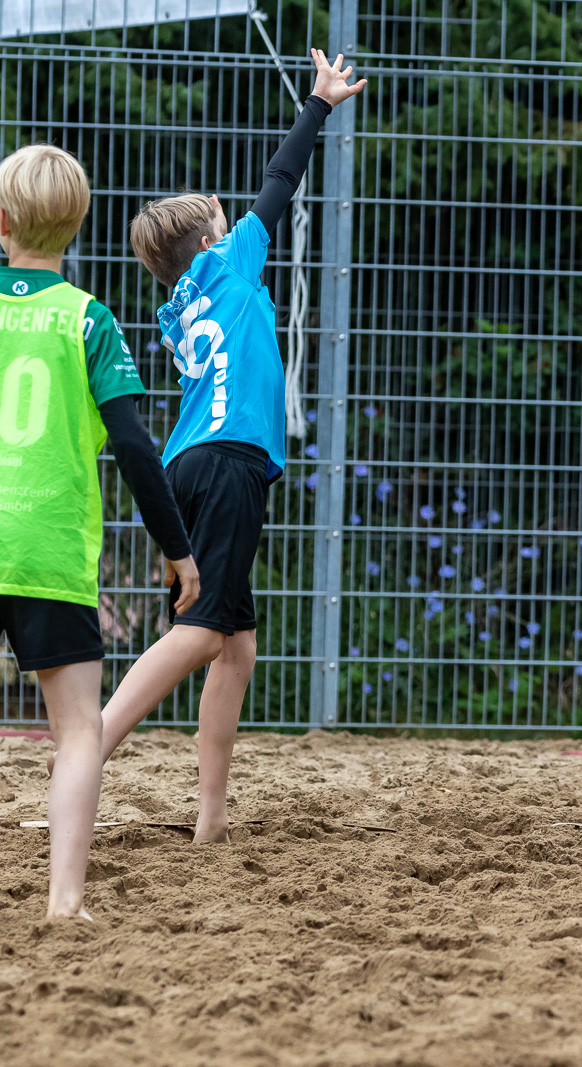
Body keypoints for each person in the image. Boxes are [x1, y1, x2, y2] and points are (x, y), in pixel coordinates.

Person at [92, 50, 366, 843]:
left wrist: (204, 222)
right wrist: (318, 103)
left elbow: (219, 227)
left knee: (235, 646)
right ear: (213, 234)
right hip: (229, 460)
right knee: (203, 633)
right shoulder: (229, 260)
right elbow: (280, 183)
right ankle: (90, 742)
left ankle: (210, 817)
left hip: (190, 463)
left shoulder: (179, 300)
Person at [0, 143, 200, 918]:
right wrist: (178, 551)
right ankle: (64, 901)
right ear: (77, 225)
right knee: (80, 731)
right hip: (50, 550)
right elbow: (136, 450)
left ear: (2, 222)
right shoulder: (89, 319)